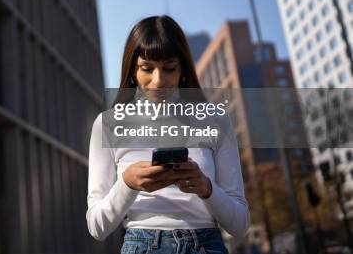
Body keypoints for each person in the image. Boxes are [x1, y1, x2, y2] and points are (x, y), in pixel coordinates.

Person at [86, 15, 250, 254]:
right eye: (147, 68)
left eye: (169, 68)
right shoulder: (108, 124)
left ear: (183, 69)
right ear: (132, 70)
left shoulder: (216, 121)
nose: (159, 80)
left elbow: (240, 225)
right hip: (141, 244)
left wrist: (206, 188)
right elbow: (96, 227)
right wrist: (128, 184)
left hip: (206, 245)